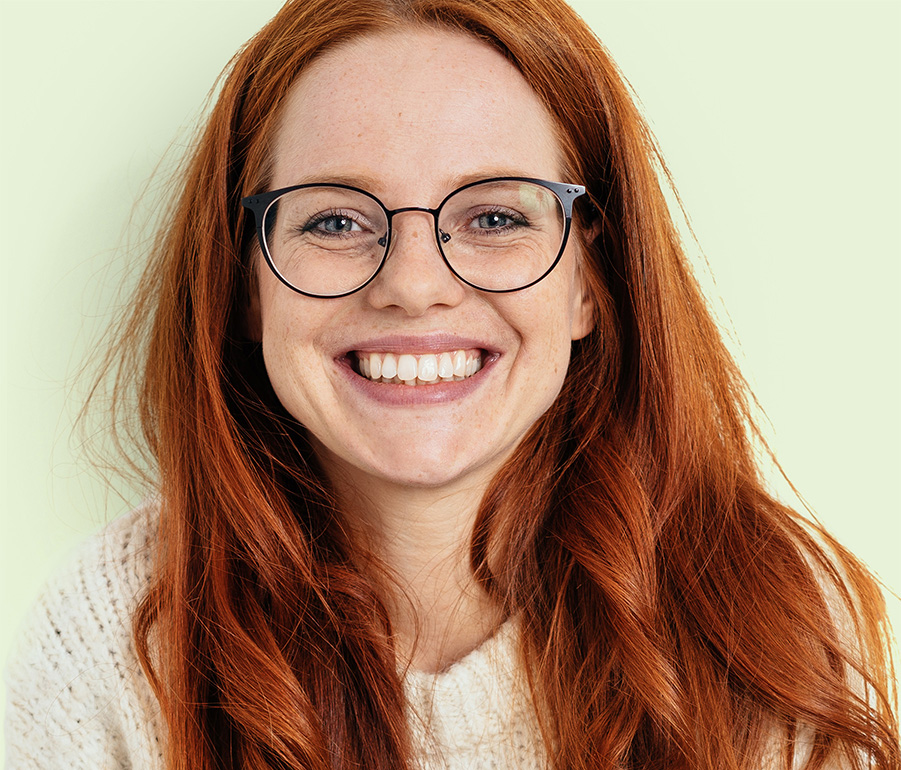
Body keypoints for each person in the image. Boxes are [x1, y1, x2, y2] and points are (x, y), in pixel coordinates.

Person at [5, 0, 898, 768]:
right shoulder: (116, 637)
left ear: (591, 281)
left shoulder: (769, 620)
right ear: (245, 282)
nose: (413, 281)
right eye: (337, 219)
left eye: (496, 215)